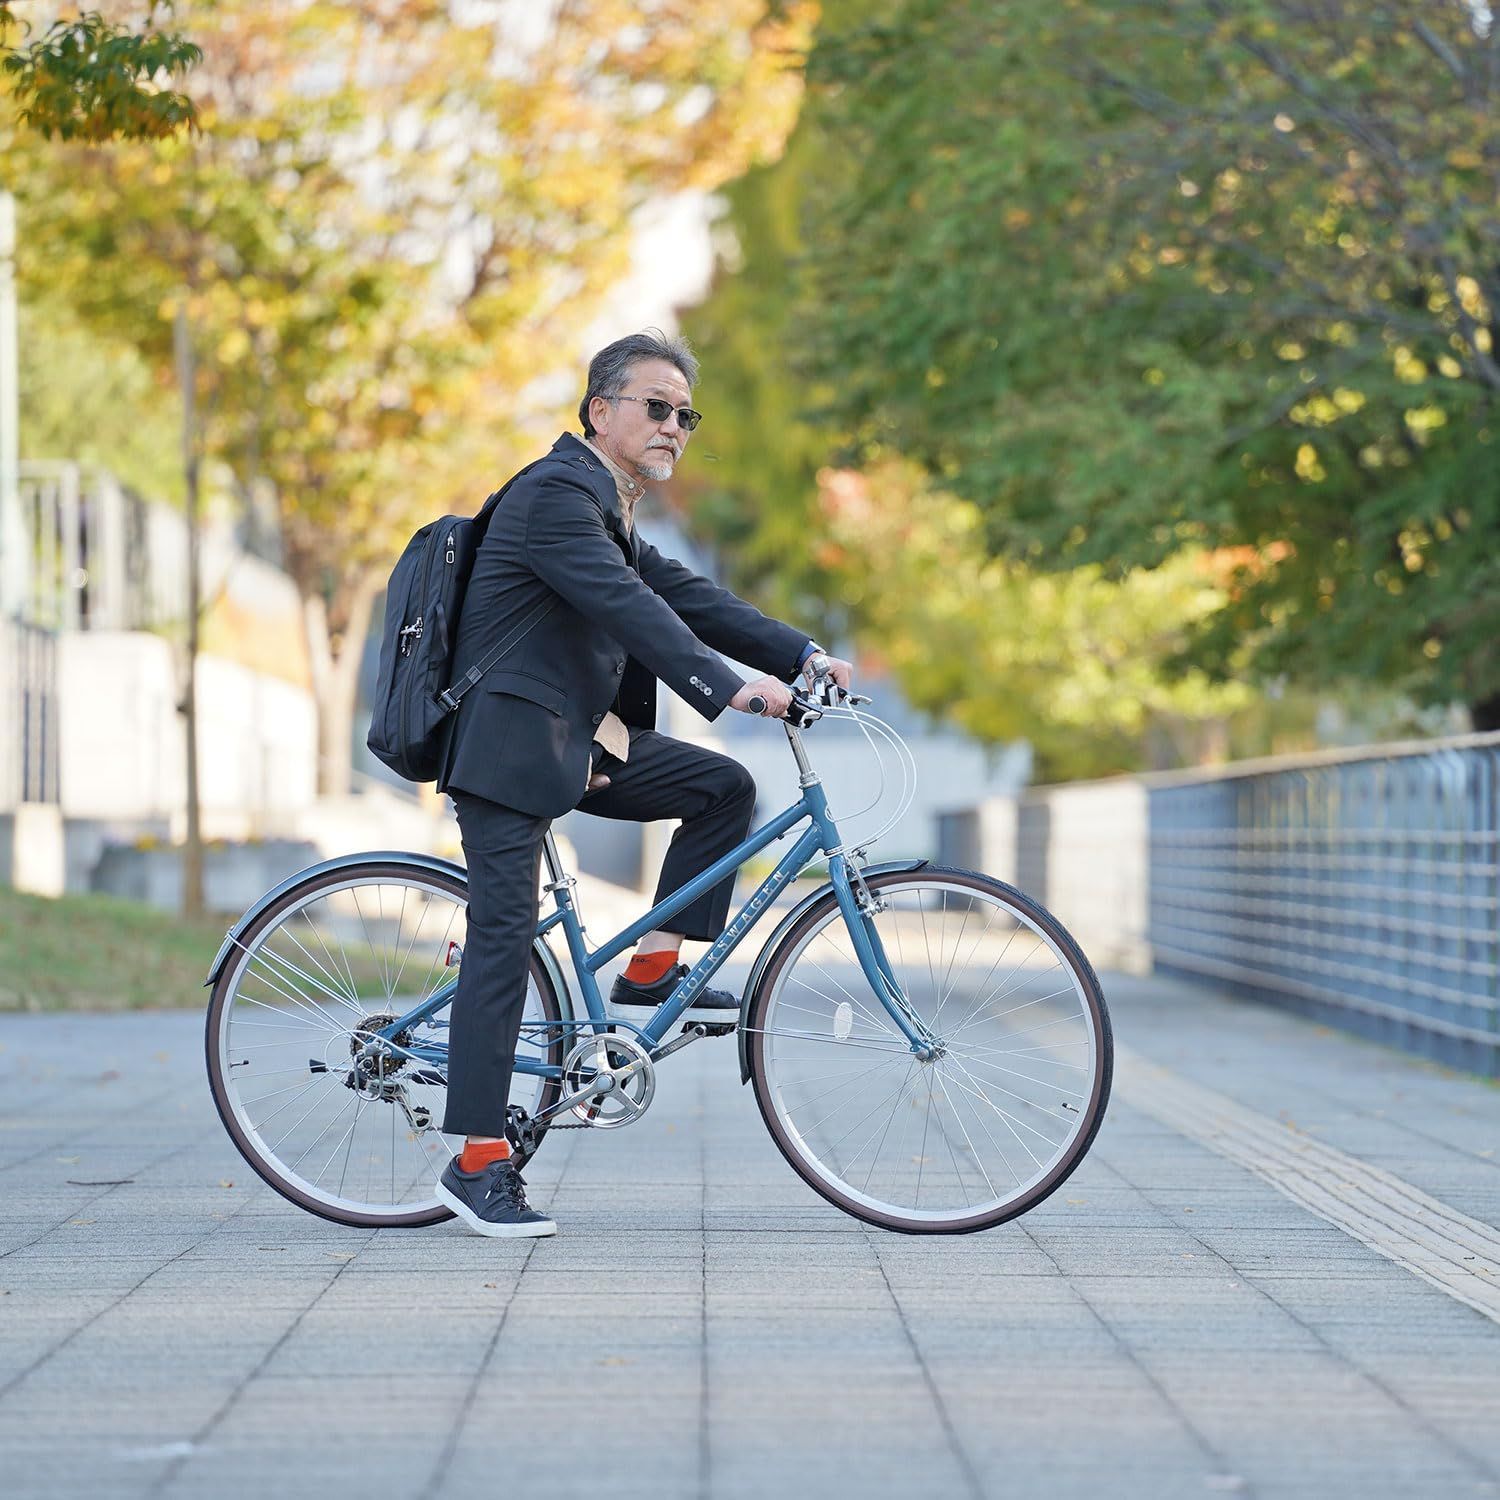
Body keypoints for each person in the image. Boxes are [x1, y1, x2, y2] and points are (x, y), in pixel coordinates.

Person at [432, 330, 853, 1237]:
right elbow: (633, 611)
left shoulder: (606, 507)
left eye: (684, 415)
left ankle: (652, 969)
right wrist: (725, 686)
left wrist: (802, 653)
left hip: (576, 743)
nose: (673, 427)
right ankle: (475, 1159)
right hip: (510, 754)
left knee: (720, 790)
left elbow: (689, 597)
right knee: (503, 943)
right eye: (656, 407)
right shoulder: (554, 498)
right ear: (600, 412)